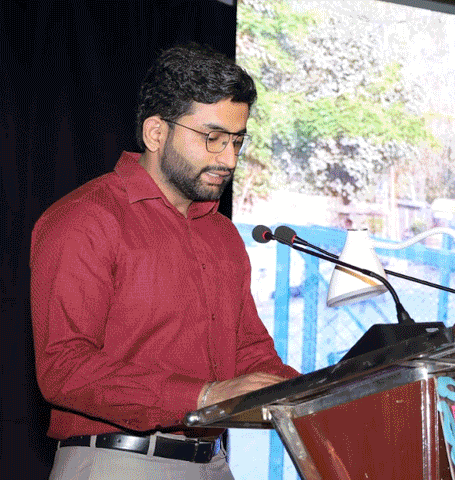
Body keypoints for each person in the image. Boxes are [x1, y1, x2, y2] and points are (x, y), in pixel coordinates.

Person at [30, 43, 299, 480]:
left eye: (237, 141)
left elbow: (248, 352)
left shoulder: (222, 234)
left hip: (213, 462)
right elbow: (64, 369)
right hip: (117, 461)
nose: (229, 159)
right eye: (212, 138)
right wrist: (202, 396)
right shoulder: (85, 219)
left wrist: (313, 392)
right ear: (156, 133)